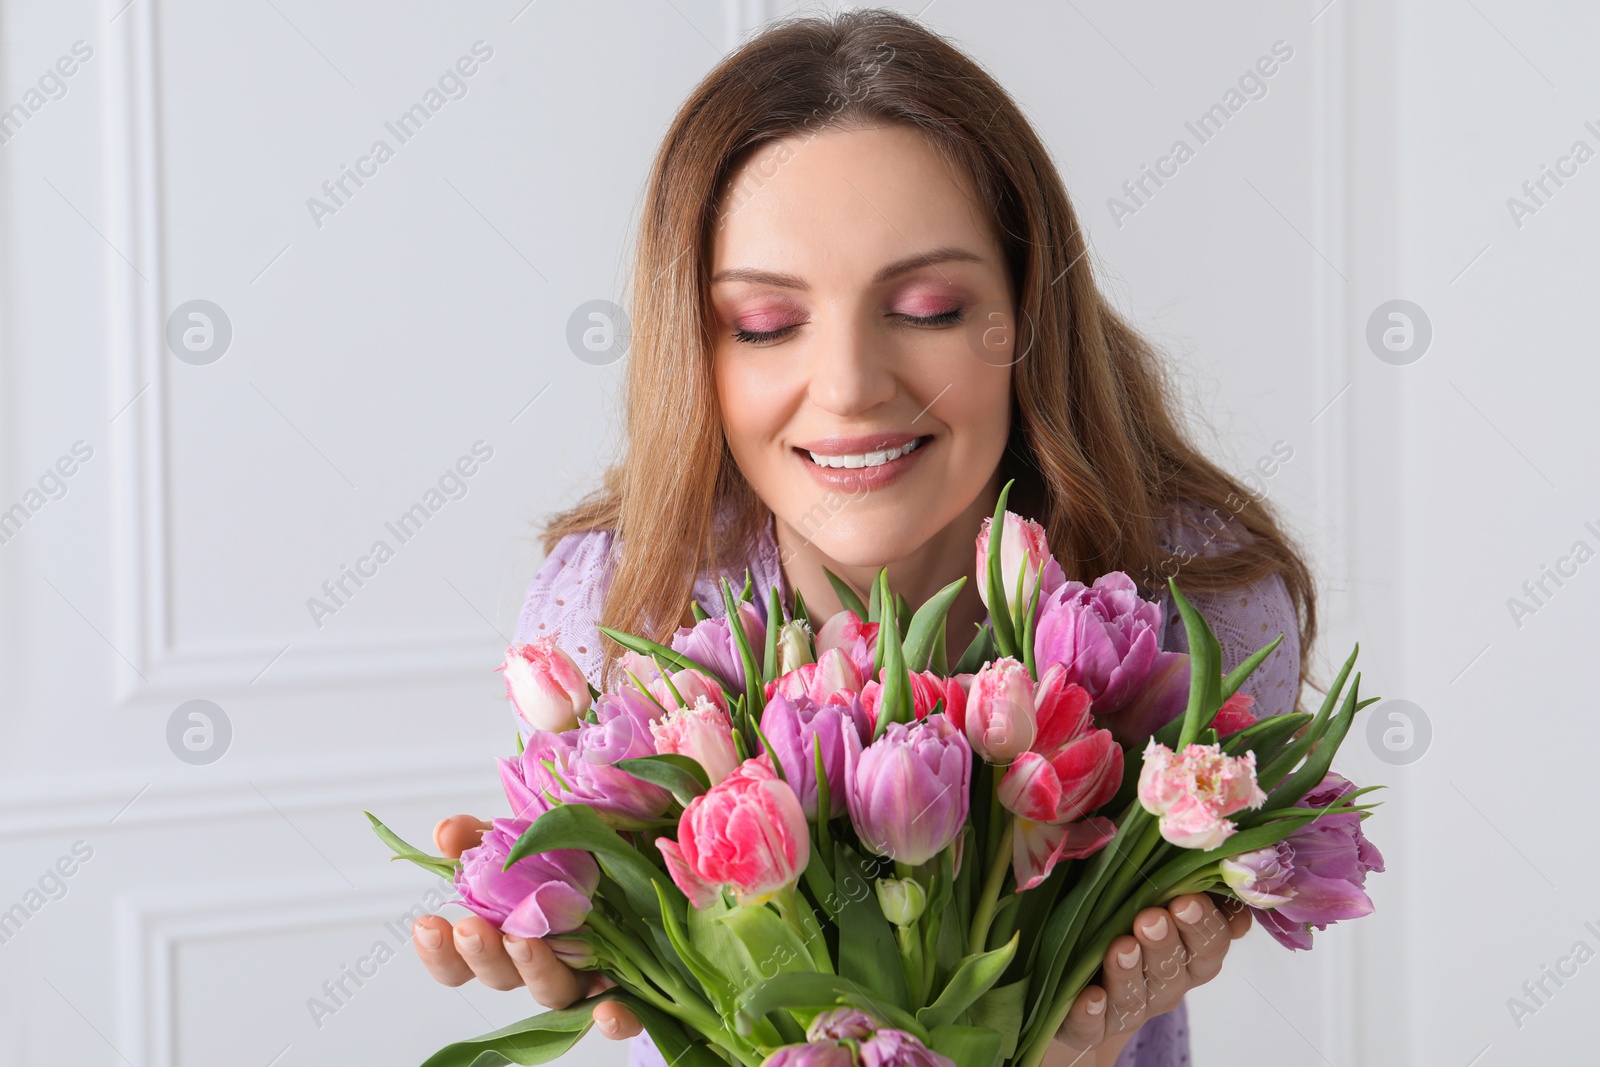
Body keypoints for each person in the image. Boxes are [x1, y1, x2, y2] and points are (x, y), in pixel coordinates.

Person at [412, 10, 1316, 1067]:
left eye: (928, 307)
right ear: (691, 347)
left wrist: (1058, 1045)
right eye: (762, 325)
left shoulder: (1195, 605)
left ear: (1026, 313)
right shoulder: (615, 612)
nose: (848, 387)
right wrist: (589, 925)